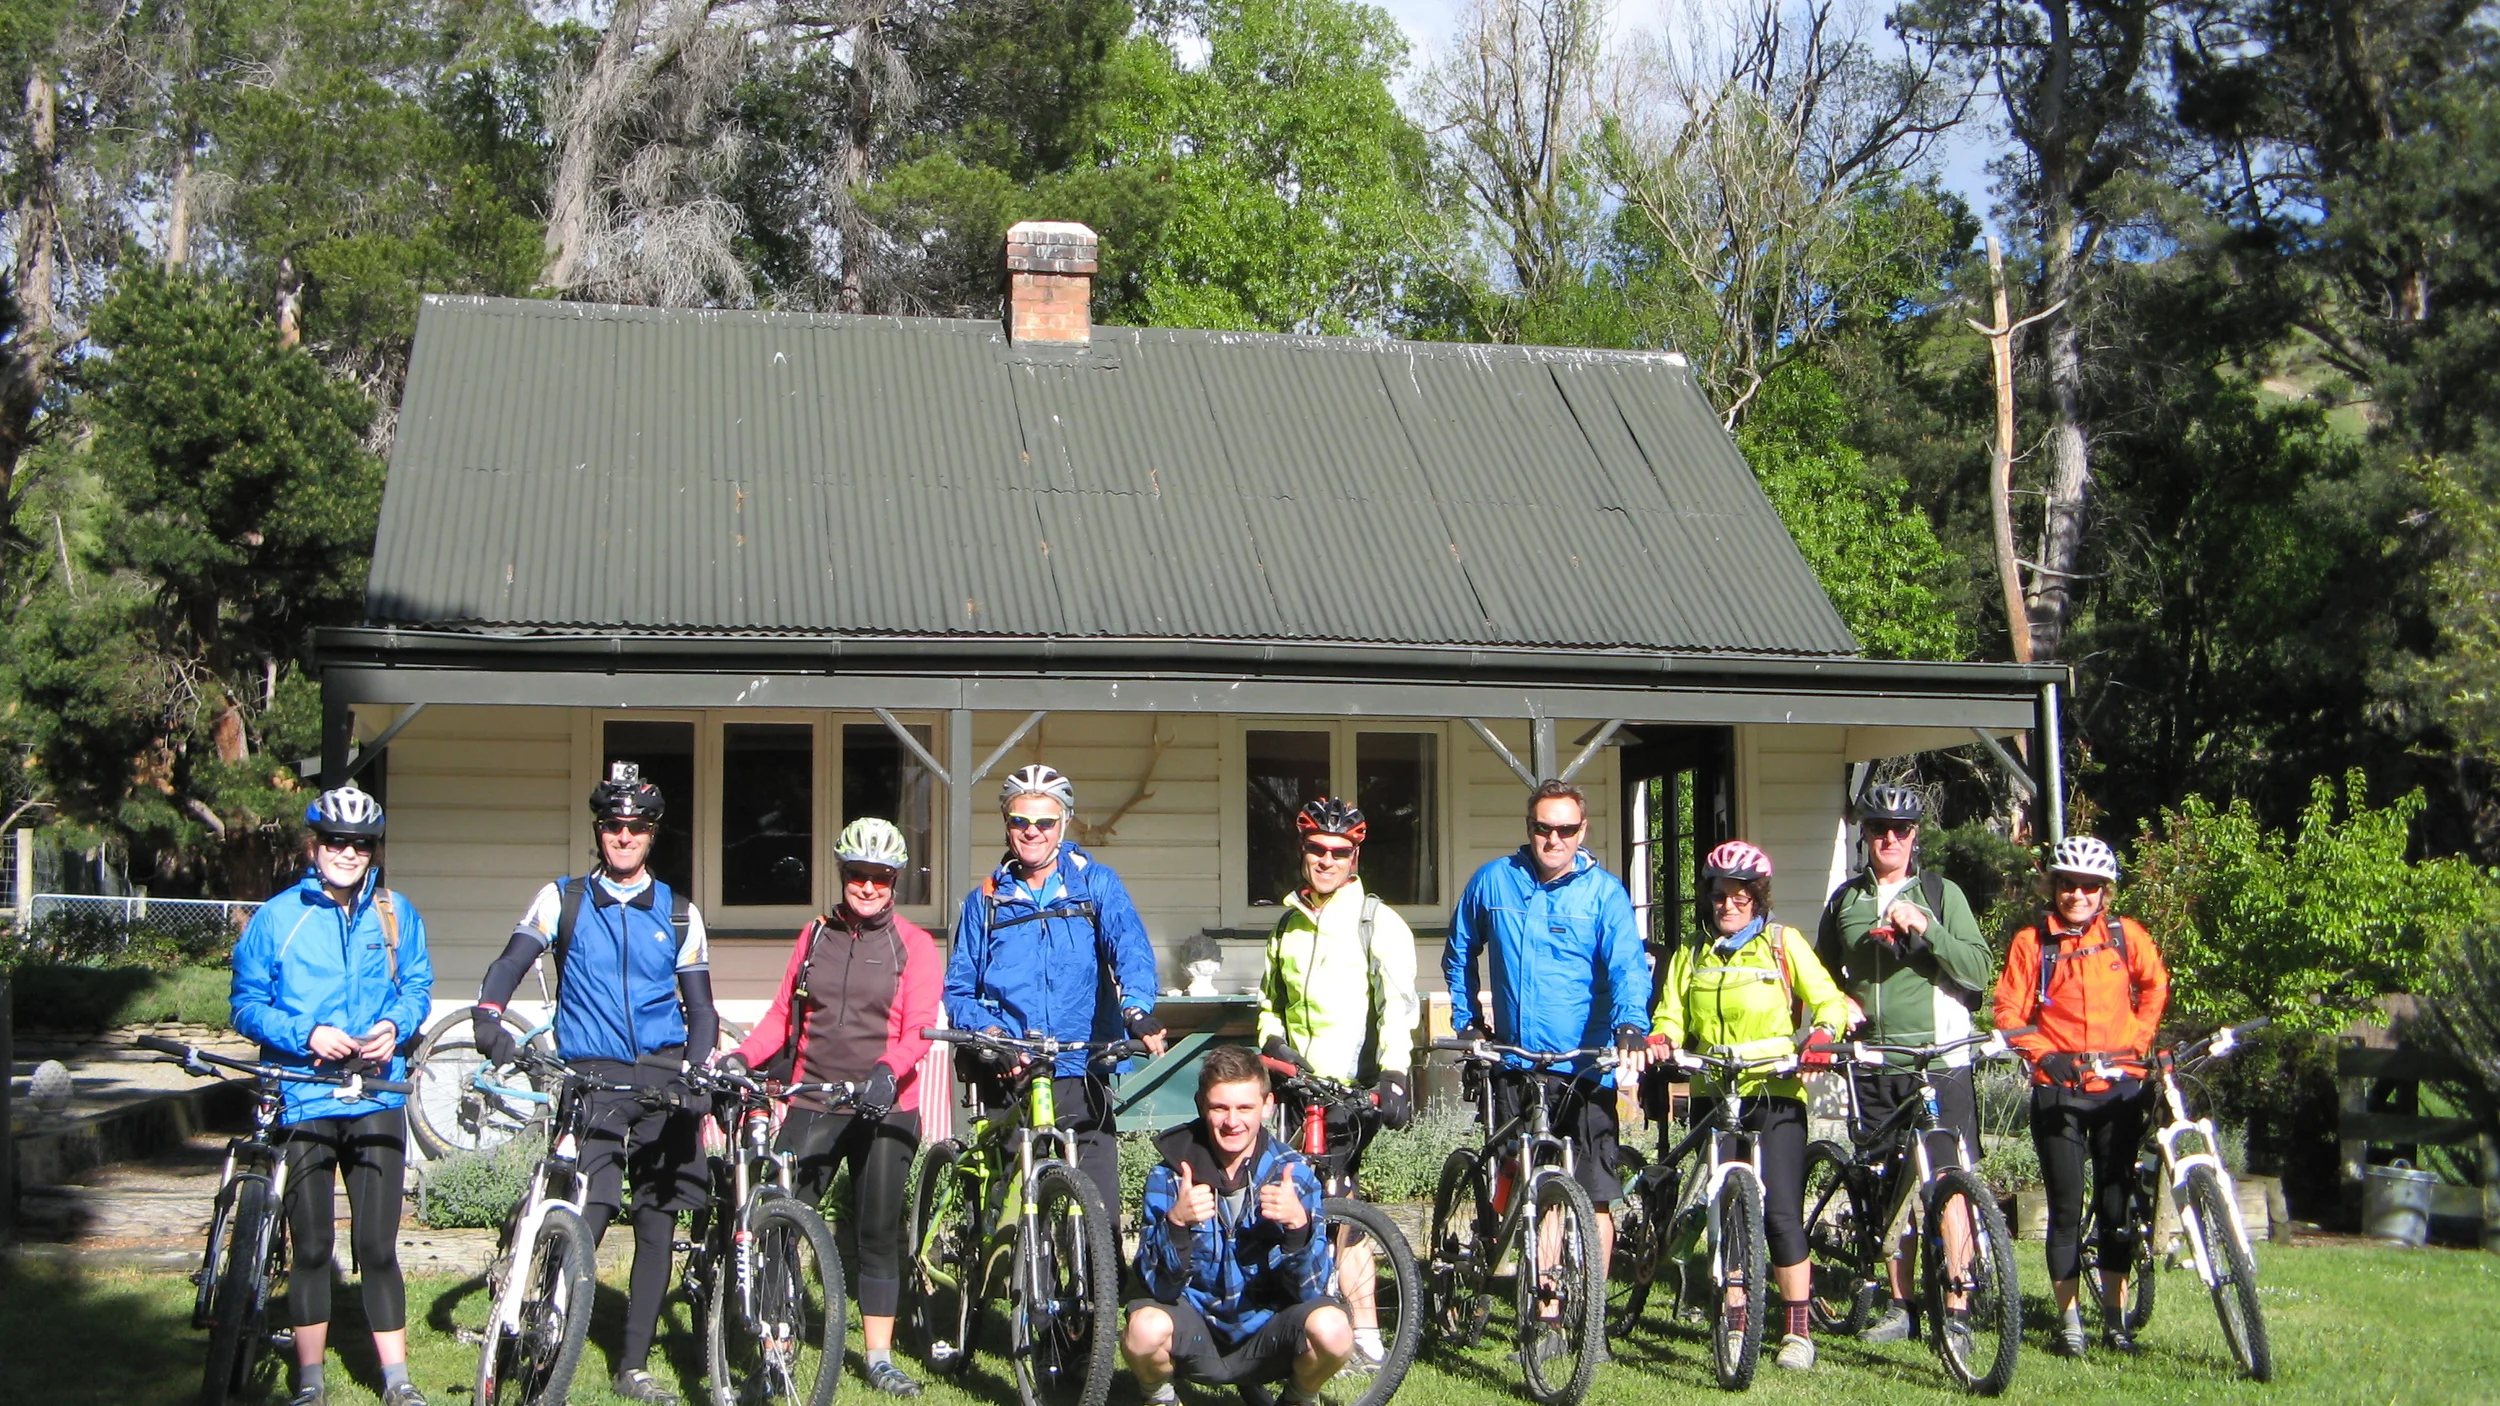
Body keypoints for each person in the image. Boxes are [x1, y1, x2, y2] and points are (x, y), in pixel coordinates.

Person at [471, 762, 719, 1405]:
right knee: (594, 1206)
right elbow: (510, 962)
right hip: (595, 1075)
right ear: (599, 831)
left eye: (637, 828)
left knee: (658, 1221)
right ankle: (552, 1318)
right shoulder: (565, 899)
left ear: (653, 834)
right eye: (613, 826)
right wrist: (488, 1014)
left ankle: (631, 1365)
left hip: (664, 1077)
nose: (624, 836)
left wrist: (695, 1072)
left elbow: (703, 1011)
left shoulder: (683, 913)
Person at [719, 817, 940, 1397]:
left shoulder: (914, 945)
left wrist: (887, 1073)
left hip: (885, 1103)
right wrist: (743, 1057)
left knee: (876, 1230)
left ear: (895, 881)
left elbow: (920, 1031)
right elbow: (780, 1016)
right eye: (858, 876)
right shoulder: (814, 935)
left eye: (880, 878)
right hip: (815, 1094)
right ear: (843, 874)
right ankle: (779, 1342)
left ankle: (879, 1356)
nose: (868, 887)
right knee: (783, 1221)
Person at [230, 782, 435, 1406]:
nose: (349, 853)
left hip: (375, 1097)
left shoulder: (396, 914)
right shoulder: (278, 918)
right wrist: (306, 1033)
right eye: (337, 842)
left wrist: (393, 1026)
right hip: (305, 1097)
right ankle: (310, 1380)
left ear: (374, 850)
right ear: (315, 845)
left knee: (376, 1245)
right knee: (313, 1245)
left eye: (362, 844)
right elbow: (244, 1005)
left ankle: (397, 1381)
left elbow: (417, 989)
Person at [1443, 779, 1649, 1309]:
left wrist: (1631, 1024)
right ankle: (1546, 1308)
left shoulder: (1604, 893)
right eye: (1543, 827)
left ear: (1583, 831)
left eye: (1565, 829)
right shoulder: (1494, 882)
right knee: (1527, 1182)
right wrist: (1469, 1023)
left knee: (1595, 1199)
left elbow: (1628, 966)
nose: (1553, 839)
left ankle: (1590, 1318)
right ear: (1529, 828)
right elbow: (1459, 951)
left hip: (1583, 1069)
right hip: (1516, 1061)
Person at [1650, 840, 1847, 1372]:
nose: (1728, 906)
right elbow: (1669, 1014)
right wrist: (1663, 1038)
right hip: (1717, 1094)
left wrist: (1823, 1035)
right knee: (1727, 1212)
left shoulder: (1783, 944)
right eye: (1719, 896)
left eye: (1740, 896)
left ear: (1758, 898)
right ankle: (1734, 1319)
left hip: (1776, 1095)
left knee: (1781, 1213)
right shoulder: (1691, 953)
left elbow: (1829, 1000)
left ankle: (1797, 1329)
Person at [1812, 783, 1996, 1345]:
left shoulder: (1942, 893)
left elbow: (1978, 970)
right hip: (1872, 1061)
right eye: (1877, 829)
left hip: (1938, 1057)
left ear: (1915, 836)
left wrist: (1927, 927)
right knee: (1887, 1185)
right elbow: (1820, 973)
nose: (1888, 839)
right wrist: (1835, 1000)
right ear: (1864, 835)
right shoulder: (1845, 901)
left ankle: (1958, 1305)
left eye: (1901, 830)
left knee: (1950, 1180)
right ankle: (1902, 1305)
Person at [944, 763, 1166, 1220]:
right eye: (1019, 821)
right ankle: (1002, 1283)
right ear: (1007, 824)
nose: (1032, 832)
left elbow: (1130, 950)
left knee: (1098, 1205)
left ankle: (1098, 1288)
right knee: (1008, 1206)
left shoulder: (1096, 884)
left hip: (1081, 1065)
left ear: (1064, 822)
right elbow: (958, 990)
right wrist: (992, 1032)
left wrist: (1138, 1010)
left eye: (1044, 821)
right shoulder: (984, 901)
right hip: (1011, 1065)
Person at [1255, 795, 1421, 1372]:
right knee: (1303, 1207)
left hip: (1351, 1090)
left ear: (1355, 855)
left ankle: (1366, 1336)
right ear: (1302, 852)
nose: (1326, 860)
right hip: (1297, 1089)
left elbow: (1399, 1007)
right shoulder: (1288, 922)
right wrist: (1273, 1042)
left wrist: (1397, 1072)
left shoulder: (1378, 921)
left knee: (1340, 1209)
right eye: (1316, 850)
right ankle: (1307, 1324)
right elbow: (1269, 1001)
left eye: (1338, 851)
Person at [1993, 834, 2171, 1358]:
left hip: (2119, 1087)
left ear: (2104, 892)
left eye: (2089, 887)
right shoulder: (2033, 941)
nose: (2077, 895)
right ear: (2054, 887)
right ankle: (2070, 1322)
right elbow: (2008, 1012)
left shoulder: (2124, 934)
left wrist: (2137, 1043)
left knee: (2117, 1207)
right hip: (2060, 1091)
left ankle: (2115, 1320)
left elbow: (2154, 985)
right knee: (2066, 1209)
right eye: (2068, 884)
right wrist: (2044, 1055)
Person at [1124, 1045, 1350, 1406]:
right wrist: (1176, 1225)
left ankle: (1298, 1398)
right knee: (1143, 1329)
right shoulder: (1169, 1175)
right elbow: (1156, 1288)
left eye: (1245, 1107)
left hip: (1267, 1337)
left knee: (1334, 1329)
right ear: (1201, 1105)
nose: (1233, 1122)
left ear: (1267, 1105)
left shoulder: (1294, 1174)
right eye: (1220, 1107)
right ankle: (1160, 1397)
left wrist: (1298, 1230)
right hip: (1197, 1332)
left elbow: (1314, 1292)